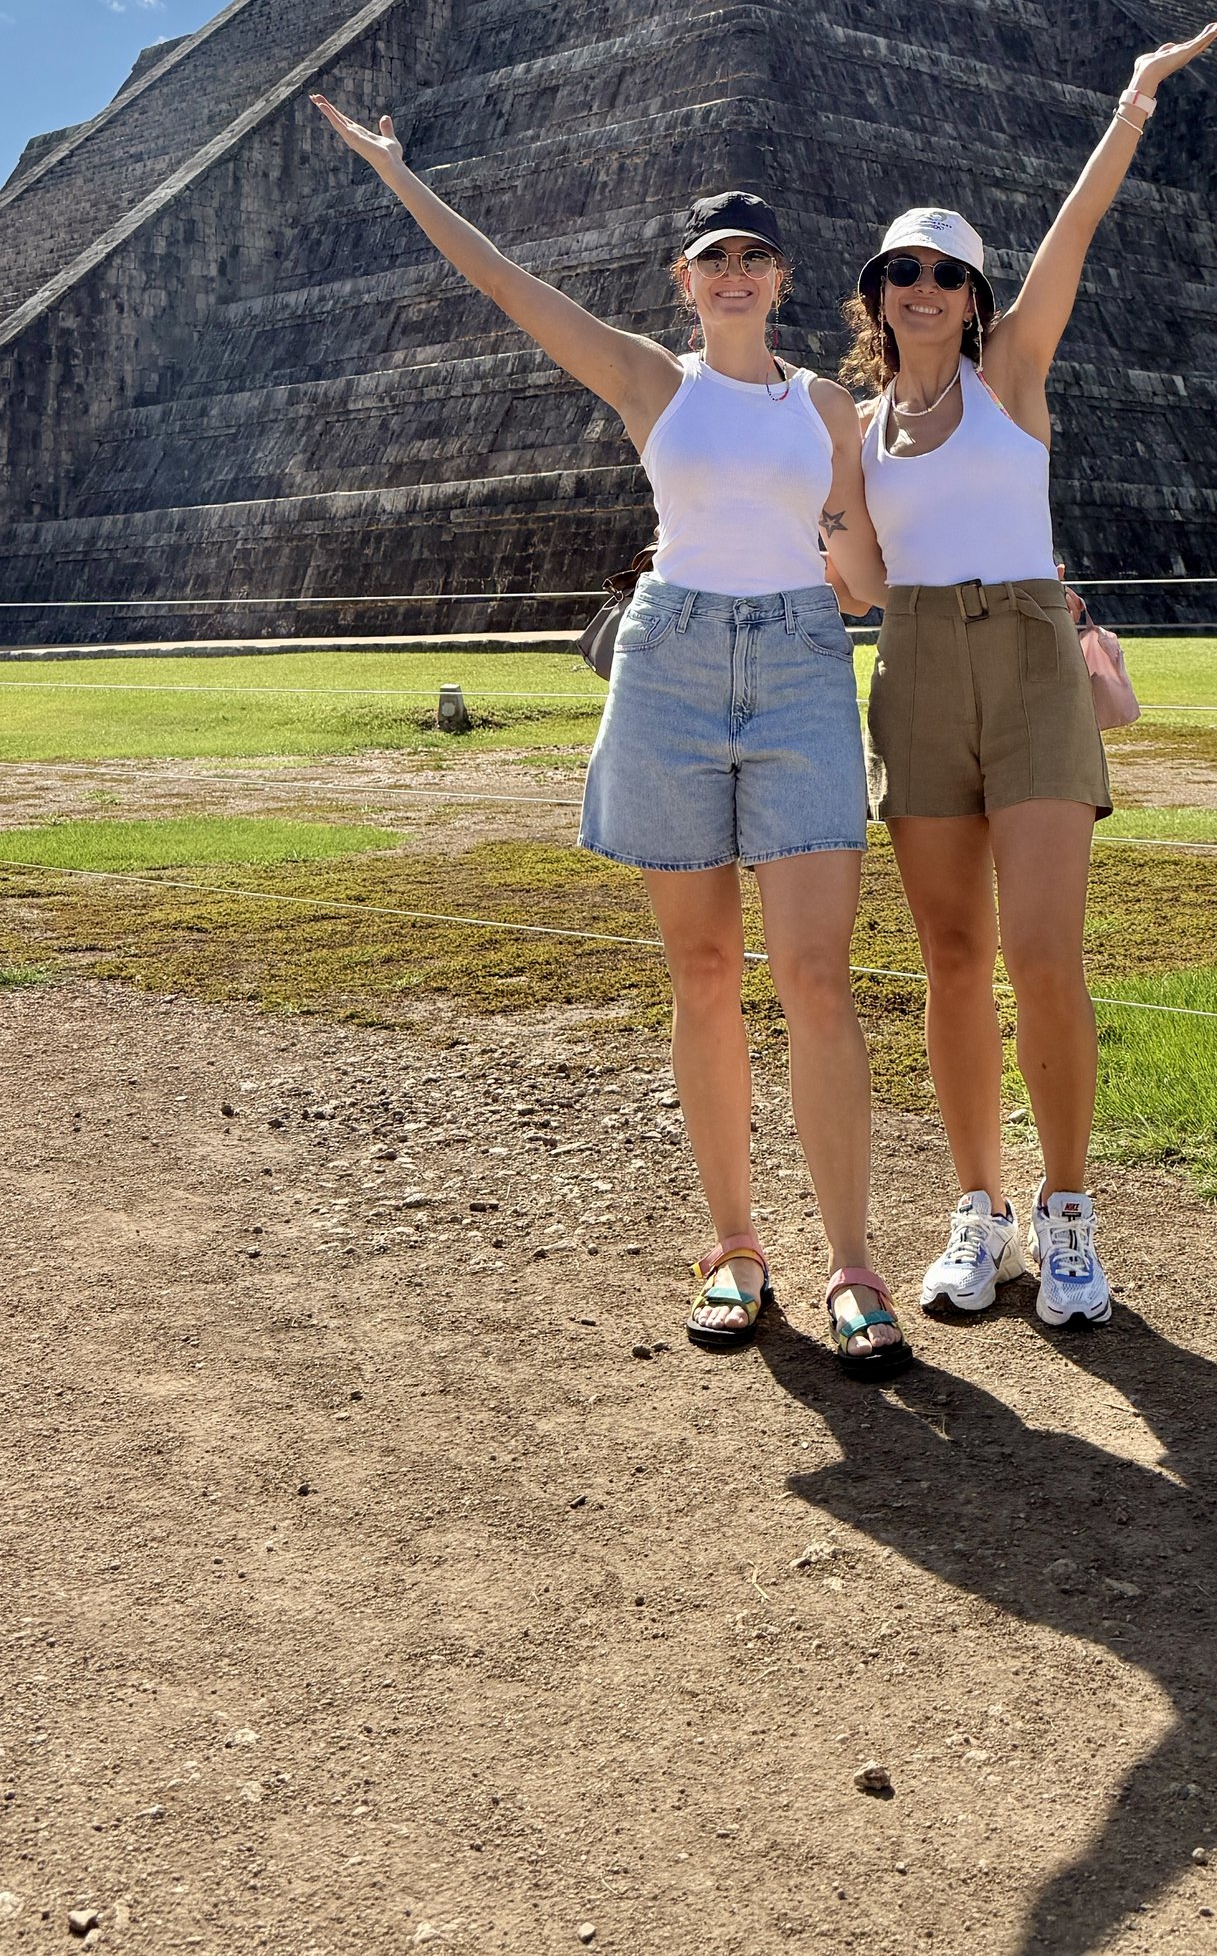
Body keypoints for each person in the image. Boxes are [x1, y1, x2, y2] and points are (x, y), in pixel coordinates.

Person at [308, 102, 909, 1374]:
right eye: (714, 260)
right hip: (673, 665)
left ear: (783, 277)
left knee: (815, 979)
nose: (736, 275)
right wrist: (398, 173)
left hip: (801, 659)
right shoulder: (652, 379)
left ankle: (851, 1260)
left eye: (755, 256)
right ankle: (735, 1247)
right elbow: (506, 287)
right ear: (683, 284)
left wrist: (930, 567)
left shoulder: (831, 409)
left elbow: (858, 573)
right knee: (701, 975)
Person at [838, 25, 1217, 1329]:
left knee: (1043, 952)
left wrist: (1131, 102)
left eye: (946, 272)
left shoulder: (1013, 374)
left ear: (975, 292)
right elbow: (847, 575)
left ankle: (1067, 1213)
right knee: (951, 955)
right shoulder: (858, 429)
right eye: (903, 270)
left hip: (1029, 656)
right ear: (877, 291)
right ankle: (976, 1209)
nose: (924, 287)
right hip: (914, 664)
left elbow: (1077, 228)